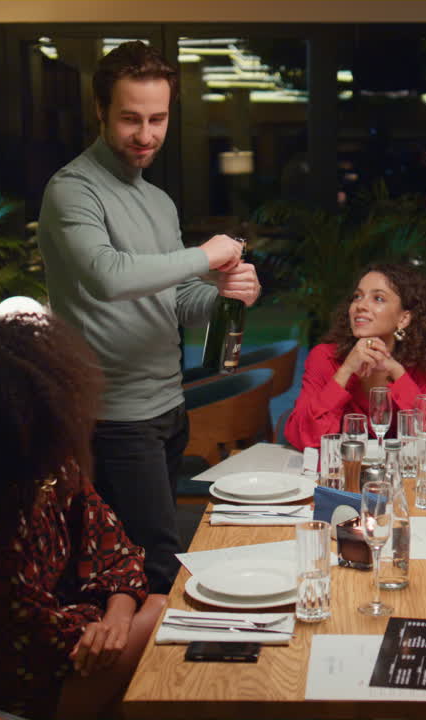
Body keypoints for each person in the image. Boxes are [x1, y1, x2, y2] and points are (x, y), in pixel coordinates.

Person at [36, 41, 261, 594]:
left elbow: (180, 302)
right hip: (113, 416)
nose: (145, 135)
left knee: (134, 564)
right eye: (130, 119)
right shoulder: (72, 190)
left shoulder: (158, 201)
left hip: (166, 405)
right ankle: (144, 681)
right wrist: (208, 256)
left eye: (157, 119)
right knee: (154, 566)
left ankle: (125, 669)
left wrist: (228, 294)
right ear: (100, 111)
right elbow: (108, 277)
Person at [0, 309, 167, 720]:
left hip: (52, 670)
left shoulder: (51, 474)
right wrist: (134, 615)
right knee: (167, 624)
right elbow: (61, 659)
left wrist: (115, 618)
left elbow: (116, 551)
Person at [285, 263, 426, 450]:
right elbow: (303, 437)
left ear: (403, 319)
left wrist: (397, 372)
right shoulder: (325, 357)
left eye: (378, 298)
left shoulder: (422, 362)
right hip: (343, 472)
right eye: (357, 296)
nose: (360, 305)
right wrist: (345, 372)